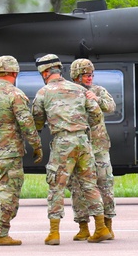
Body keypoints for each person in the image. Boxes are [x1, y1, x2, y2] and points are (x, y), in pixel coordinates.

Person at [31, 53, 112, 245]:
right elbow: (96, 115)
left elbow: (37, 120)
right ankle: (100, 228)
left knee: (57, 186)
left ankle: (54, 233)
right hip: (84, 142)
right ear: (59, 69)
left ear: (44, 73)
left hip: (62, 143)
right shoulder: (80, 90)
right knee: (89, 184)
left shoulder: (43, 92)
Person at [0, 55, 43, 246]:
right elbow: (27, 123)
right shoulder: (15, 94)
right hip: (9, 152)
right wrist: (37, 145)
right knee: (9, 190)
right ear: (14, 72)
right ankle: (0, 233)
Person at [68, 58, 117, 240]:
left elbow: (111, 106)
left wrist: (96, 99)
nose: (89, 78)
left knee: (105, 185)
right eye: (85, 75)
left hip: (98, 148)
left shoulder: (98, 91)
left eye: (91, 75)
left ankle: (107, 225)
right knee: (77, 188)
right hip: (78, 148)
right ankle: (83, 227)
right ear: (76, 76)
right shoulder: (69, 92)